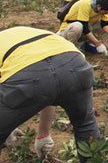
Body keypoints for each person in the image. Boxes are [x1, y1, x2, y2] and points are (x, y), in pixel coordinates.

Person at [0, 27, 99, 162]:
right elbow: (49, 83)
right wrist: (43, 134)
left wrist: (7, 126)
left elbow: (43, 76)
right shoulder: (23, 33)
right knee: (84, 124)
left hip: (29, 75)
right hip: (75, 64)